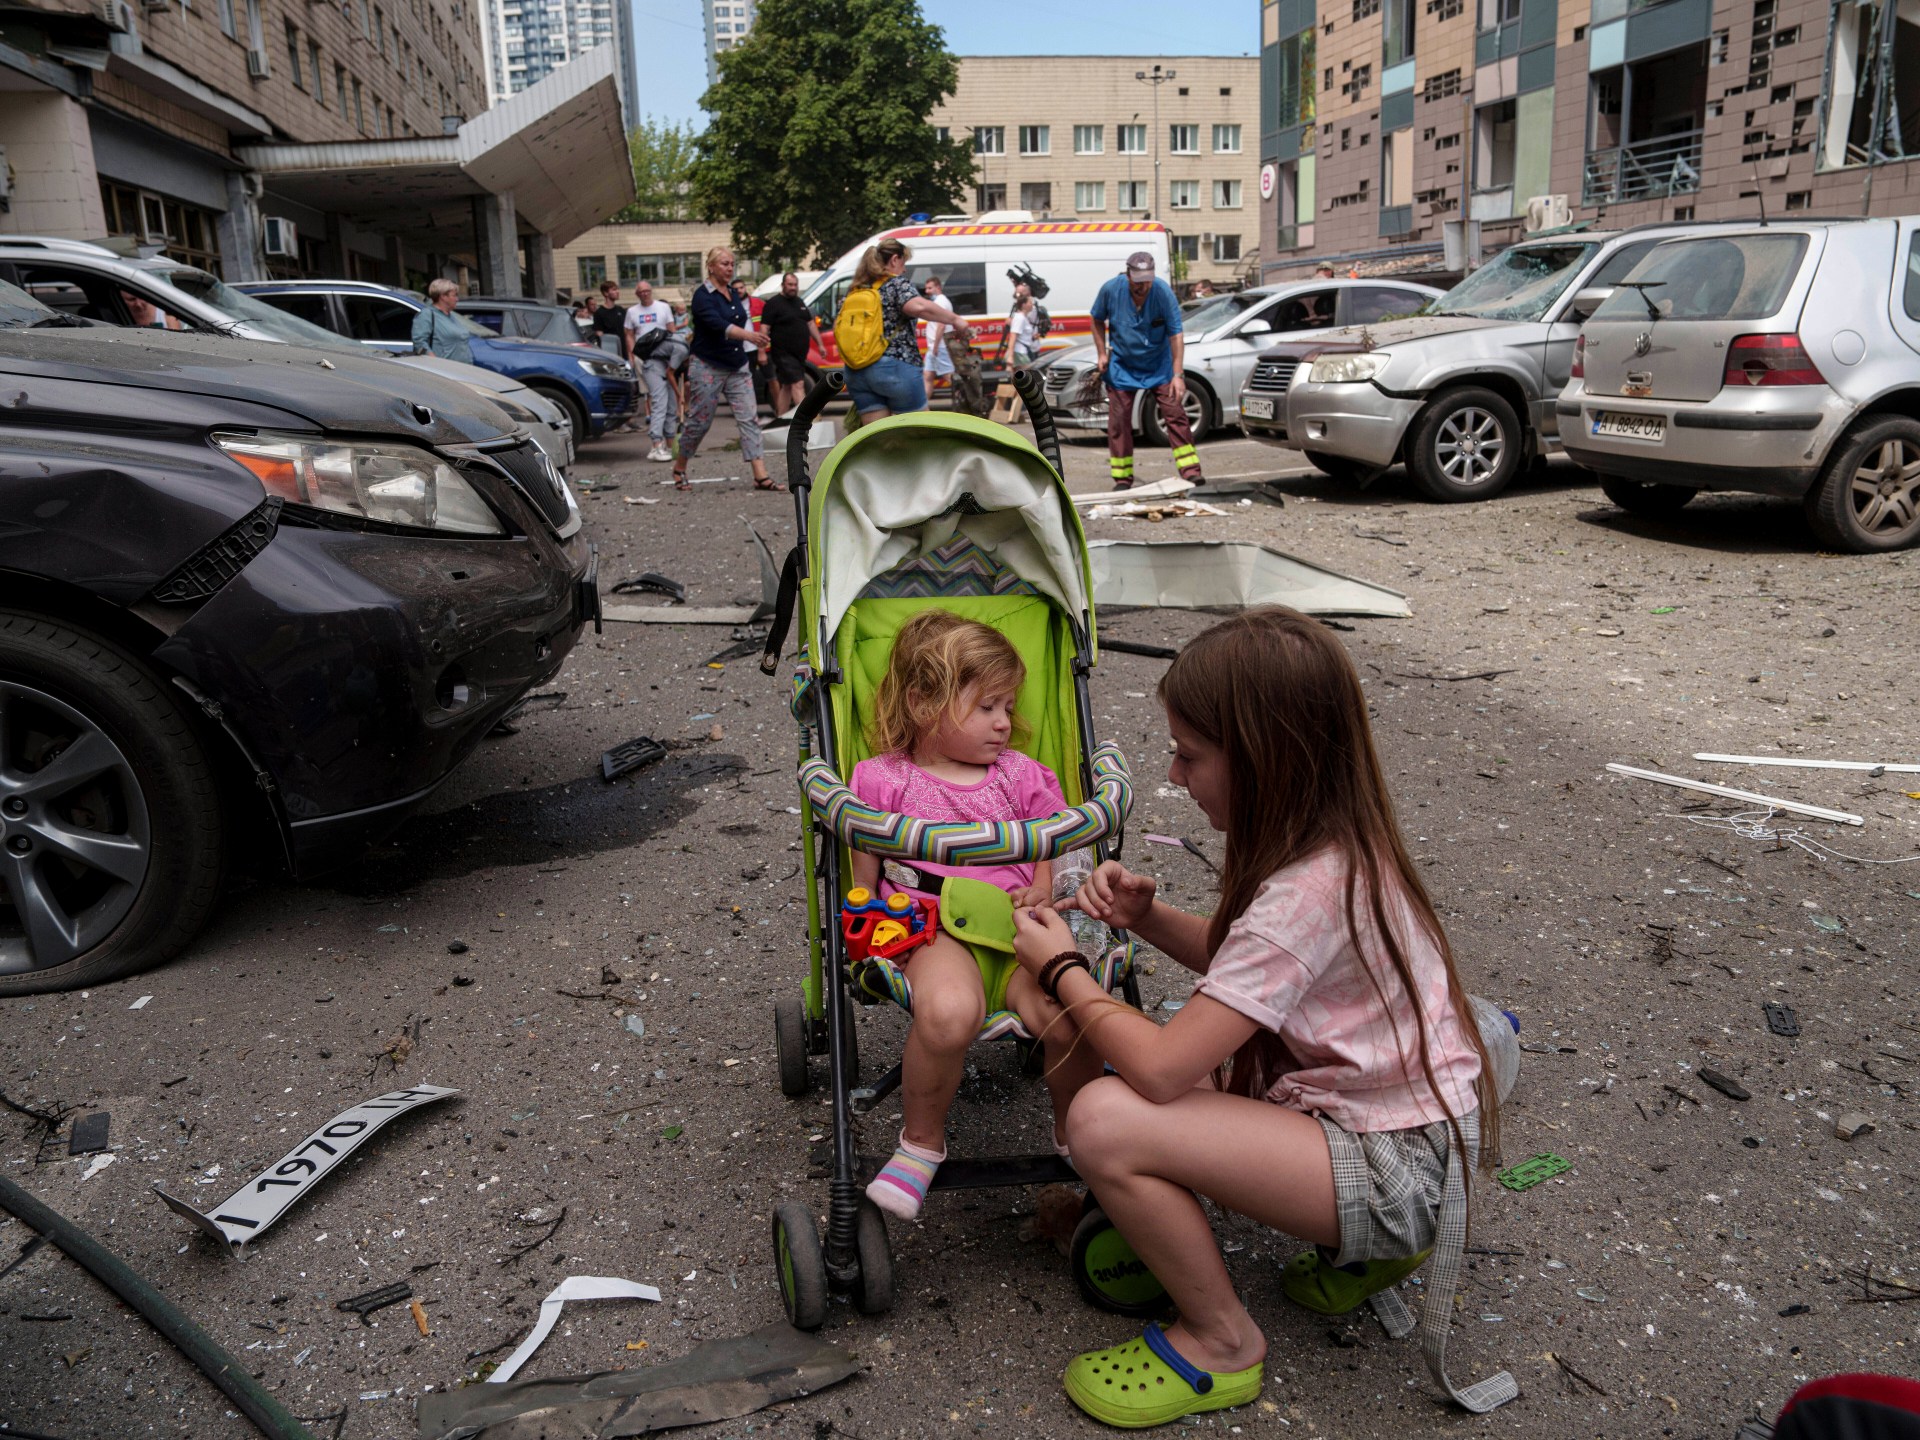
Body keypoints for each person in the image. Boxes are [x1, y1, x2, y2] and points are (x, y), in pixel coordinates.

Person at [1007, 607, 1511, 1428]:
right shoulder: (1337, 845)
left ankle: (1220, 1340)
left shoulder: (1303, 893)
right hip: (1419, 1135)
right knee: (1189, 1057)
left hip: (1396, 1173)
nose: (1173, 775)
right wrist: (1149, 918)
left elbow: (1163, 1068)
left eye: (1190, 754)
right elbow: (1253, 972)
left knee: (1108, 1115)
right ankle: (1350, 1249)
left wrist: (1062, 967)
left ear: (1267, 758)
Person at [850, 612, 1104, 1222]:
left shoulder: (1018, 773)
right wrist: (862, 911)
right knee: (948, 1014)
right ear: (922, 701)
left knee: (1075, 1018)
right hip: (935, 930)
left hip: (1022, 933)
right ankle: (921, 1143)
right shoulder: (884, 779)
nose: (1004, 722)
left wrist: (1041, 888)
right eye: (987, 705)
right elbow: (863, 861)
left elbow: (1049, 840)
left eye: (1009, 705)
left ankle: (1080, 1133)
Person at [1089, 251, 1201, 490]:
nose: (1143, 286)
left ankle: (1191, 472)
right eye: (1138, 281)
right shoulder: (1111, 290)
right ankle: (1122, 478)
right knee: (1119, 422)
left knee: (1175, 414)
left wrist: (1177, 374)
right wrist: (1101, 353)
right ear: (1128, 275)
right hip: (1122, 365)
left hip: (1159, 365)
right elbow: (1096, 319)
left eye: (1147, 280)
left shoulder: (1162, 292)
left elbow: (1176, 334)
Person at [674, 246, 781, 493]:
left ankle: (760, 475)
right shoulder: (702, 296)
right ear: (711, 267)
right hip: (708, 364)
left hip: (737, 364)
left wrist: (757, 341)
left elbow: (741, 321)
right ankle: (680, 466)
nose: (730, 268)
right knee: (700, 421)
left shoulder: (733, 293)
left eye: (732, 264)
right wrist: (751, 337)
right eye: (724, 263)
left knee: (749, 419)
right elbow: (718, 325)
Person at [840, 237, 973, 423]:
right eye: (903, 263)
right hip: (893, 367)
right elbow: (918, 307)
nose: (904, 270)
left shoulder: (854, 290)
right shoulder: (895, 284)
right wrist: (956, 319)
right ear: (894, 259)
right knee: (919, 432)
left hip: (856, 372)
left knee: (878, 438)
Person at [624, 280, 680, 462]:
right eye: (641, 291)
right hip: (648, 359)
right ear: (637, 294)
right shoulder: (632, 312)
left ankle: (671, 445)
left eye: (647, 290)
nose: (645, 294)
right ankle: (656, 444)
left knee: (671, 401)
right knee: (659, 399)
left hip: (667, 358)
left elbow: (671, 331)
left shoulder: (663, 307)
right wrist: (633, 356)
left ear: (651, 291)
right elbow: (629, 334)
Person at [759, 271, 823, 417]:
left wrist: (820, 344)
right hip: (783, 353)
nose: (793, 288)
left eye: (795, 285)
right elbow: (764, 328)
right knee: (798, 384)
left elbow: (810, 324)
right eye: (790, 285)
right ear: (783, 285)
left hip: (799, 354)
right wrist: (761, 351)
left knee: (787, 386)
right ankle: (807, 420)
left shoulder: (799, 302)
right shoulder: (773, 303)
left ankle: (780, 417)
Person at [410, 279, 471, 364]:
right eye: (454, 295)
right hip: (445, 371)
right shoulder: (427, 315)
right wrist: (436, 363)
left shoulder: (451, 316)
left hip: (463, 370)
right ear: (443, 296)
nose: (457, 299)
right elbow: (419, 342)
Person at [918, 276, 956, 407]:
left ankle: (964, 399)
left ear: (938, 287)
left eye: (930, 288)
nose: (927, 291)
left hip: (939, 346)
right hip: (934, 347)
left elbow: (941, 325)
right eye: (926, 288)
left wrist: (935, 347)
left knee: (948, 376)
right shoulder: (938, 302)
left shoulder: (941, 302)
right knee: (927, 375)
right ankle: (922, 407)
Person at [592, 279, 628, 357]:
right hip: (611, 353)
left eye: (617, 289)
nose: (617, 291)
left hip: (624, 352)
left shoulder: (620, 310)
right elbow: (599, 334)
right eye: (614, 290)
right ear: (606, 293)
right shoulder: (599, 313)